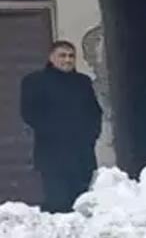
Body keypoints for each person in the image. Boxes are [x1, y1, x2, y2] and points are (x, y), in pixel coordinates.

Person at [20, 40, 103, 213]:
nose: (67, 60)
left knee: (82, 203)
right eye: (62, 56)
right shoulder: (34, 81)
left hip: (82, 155)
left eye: (71, 56)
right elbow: (29, 113)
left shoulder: (82, 82)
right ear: (51, 58)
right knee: (58, 201)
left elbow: (95, 112)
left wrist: (91, 137)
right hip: (52, 154)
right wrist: (54, 132)